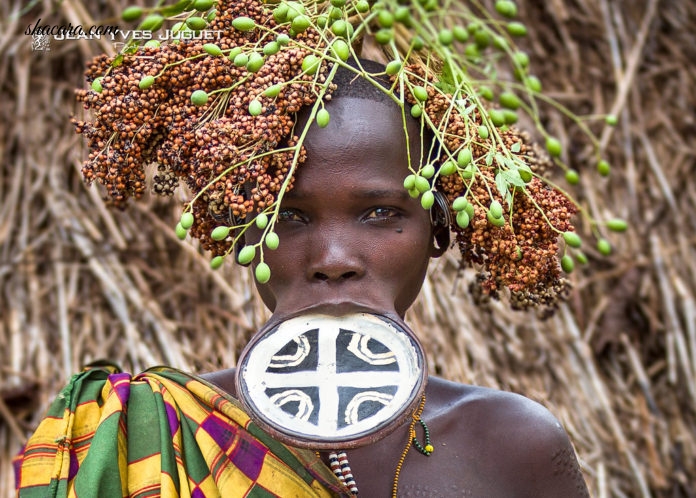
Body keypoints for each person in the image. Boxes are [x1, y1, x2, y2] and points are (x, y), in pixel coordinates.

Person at [15, 1, 590, 495]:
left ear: (438, 229)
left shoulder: (512, 446)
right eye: (287, 216)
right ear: (239, 229)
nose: (333, 258)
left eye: (380, 213)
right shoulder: (142, 437)